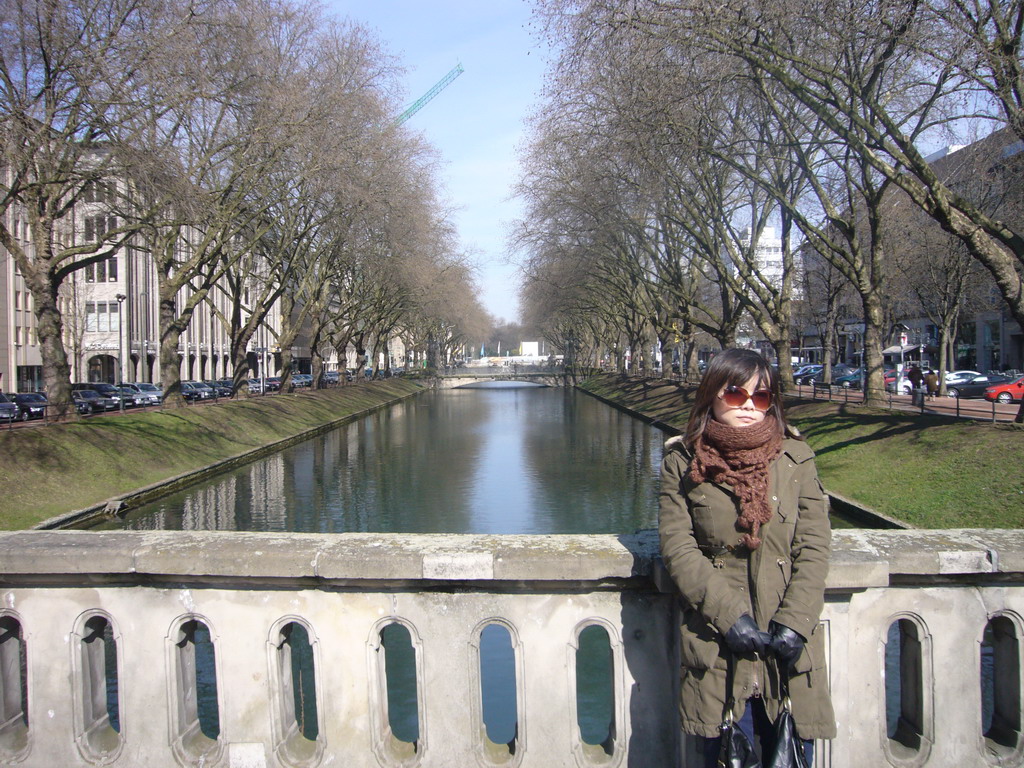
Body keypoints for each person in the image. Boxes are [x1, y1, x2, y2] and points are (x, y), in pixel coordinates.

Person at [659, 348, 835, 766]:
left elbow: (814, 547)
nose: (749, 406)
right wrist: (729, 616)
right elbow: (677, 546)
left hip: (787, 658)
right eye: (736, 394)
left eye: (761, 397)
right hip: (718, 653)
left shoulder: (796, 459)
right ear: (712, 395)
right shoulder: (681, 462)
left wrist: (795, 622)